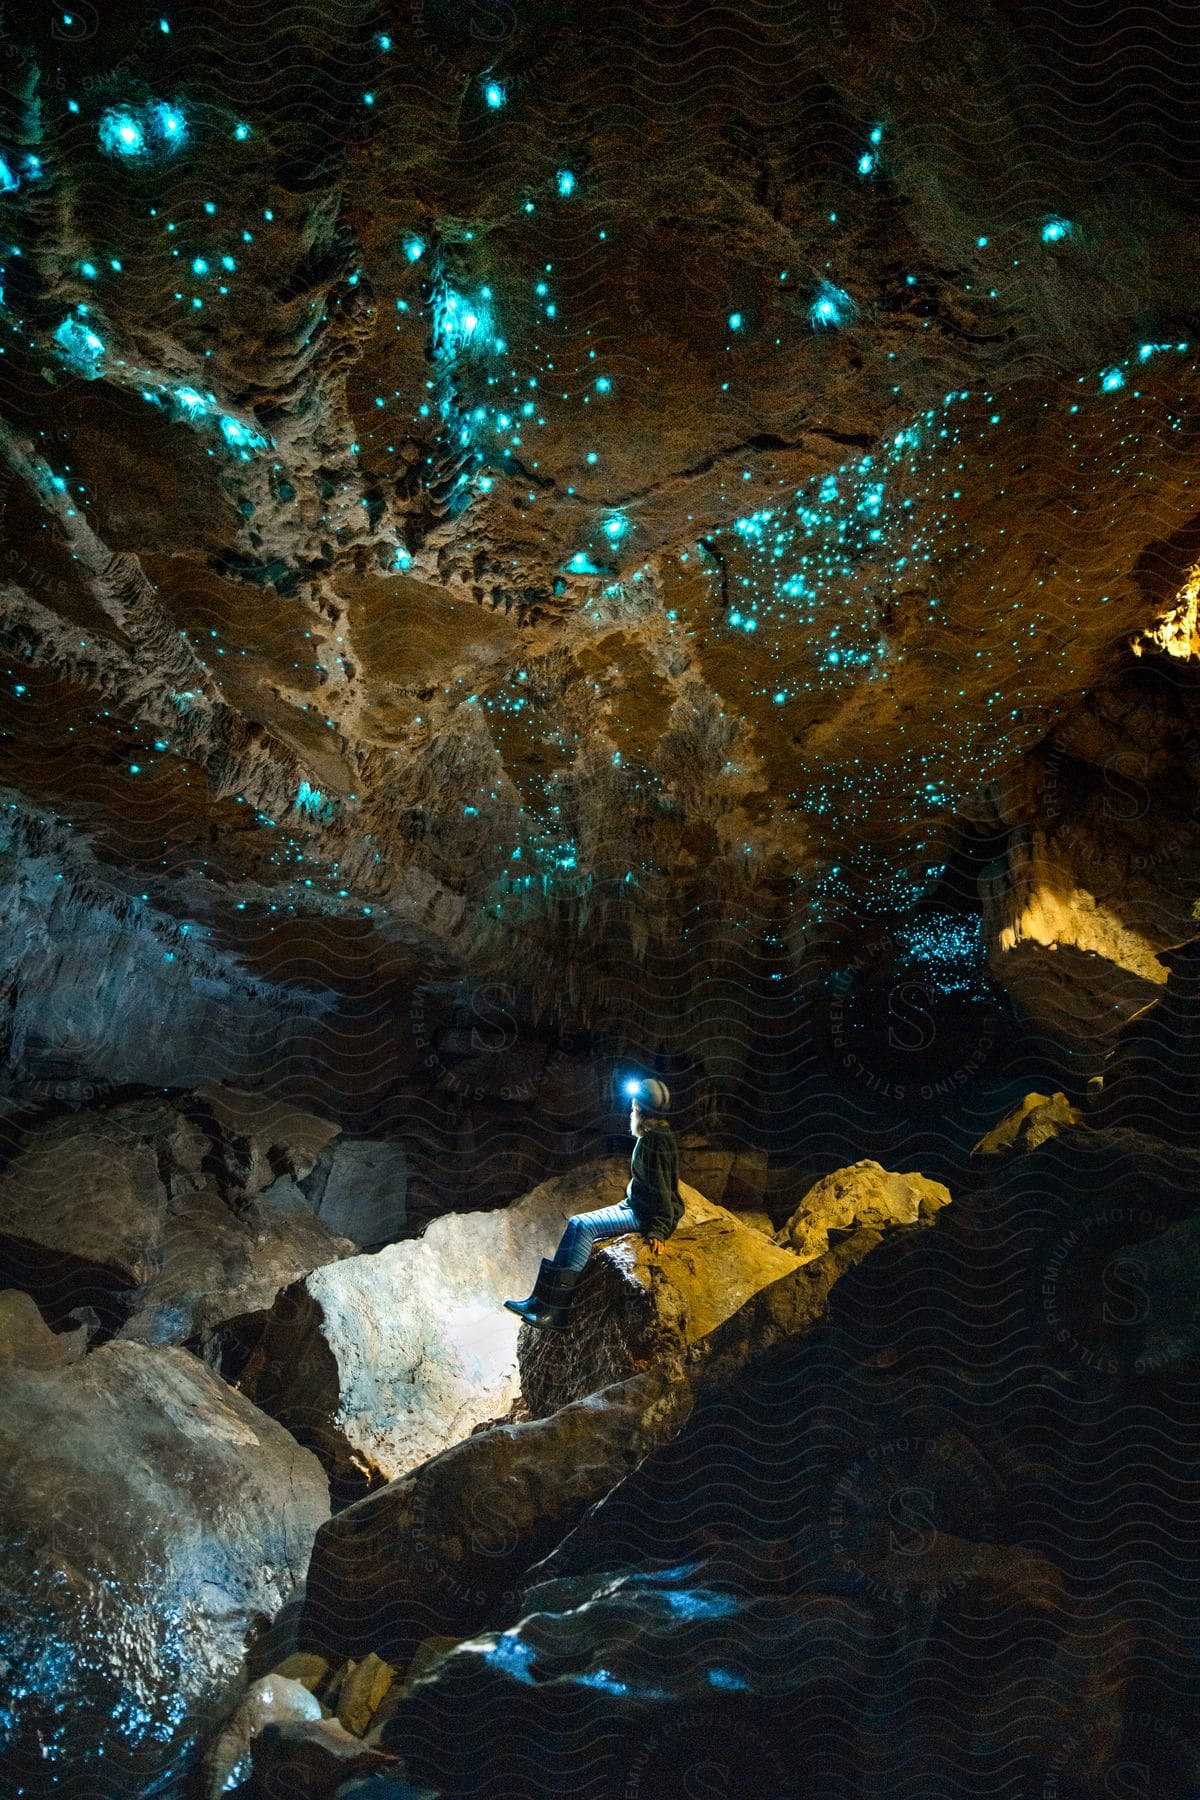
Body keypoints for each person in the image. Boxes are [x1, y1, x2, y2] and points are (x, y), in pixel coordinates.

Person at [503, 1076, 684, 1332]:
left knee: (585, 1227)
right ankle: (539, 1301)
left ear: (641, 1109)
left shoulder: (657, 1141)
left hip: (643, 1214)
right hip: (633, 1204)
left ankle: (556, 1313)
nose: (631, 1110)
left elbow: (665, 1189)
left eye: (633, 1107)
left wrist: (660, 1229)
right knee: (576, 1223)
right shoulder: (652, 1135)